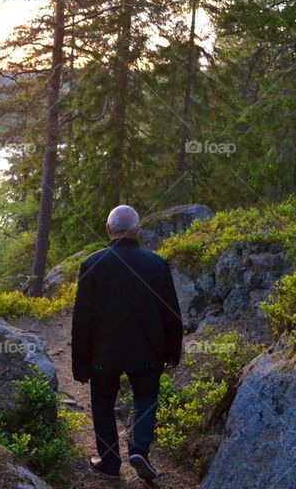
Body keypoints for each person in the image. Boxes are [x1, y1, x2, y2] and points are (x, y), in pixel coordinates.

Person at [71, 205, 183, 484]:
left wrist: (79, 362)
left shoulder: (92, 264)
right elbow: (172, 314)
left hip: (103, 353)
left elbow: (81, 319)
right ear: (138, 230)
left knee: (102, 403)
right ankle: (139, 450)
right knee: (145, 399)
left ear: (109, 230)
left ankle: (109, 462)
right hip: (146, 351)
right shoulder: (156, 264)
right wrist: (173, 350)